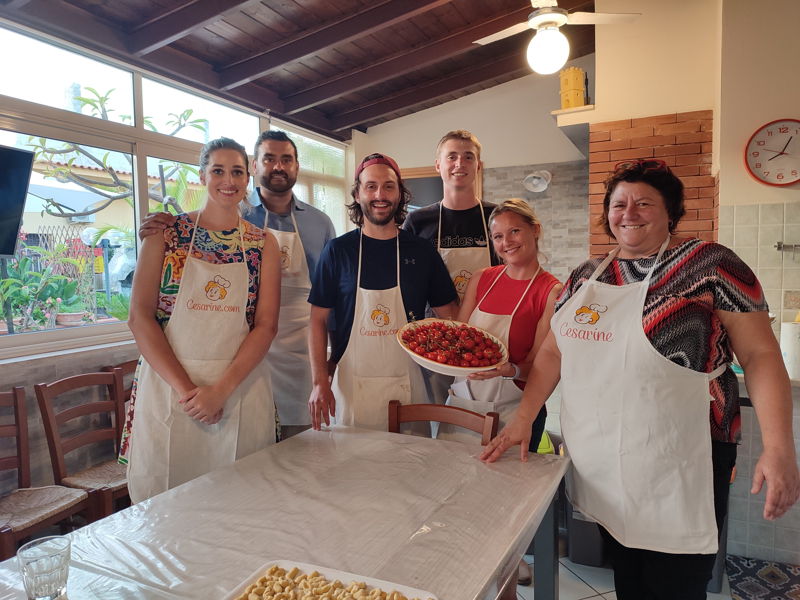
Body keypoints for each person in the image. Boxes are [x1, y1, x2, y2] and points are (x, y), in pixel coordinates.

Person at [481, 159, 800, 599]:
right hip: (605, 456)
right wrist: (524, 417)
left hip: (684, 453)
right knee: (628, 576)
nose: (628, 213)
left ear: (671, 212)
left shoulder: (711, 265)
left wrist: (780, 448)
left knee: (675, 583)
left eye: (644, 203)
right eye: (618, 204)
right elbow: (553, 352)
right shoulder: (586, 275)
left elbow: (761, 355)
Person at [138, 130, 336, 440]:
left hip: (295, 353)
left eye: (287, 159)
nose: (279, 167)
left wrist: (326, 367)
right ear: (255, 169)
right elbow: (141, 316)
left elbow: (327, 299)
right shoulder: (184, 228)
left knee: (297, 458)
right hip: (236, 357)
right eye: (269, 159)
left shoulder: (317, 224)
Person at [122, 137, 281, 503]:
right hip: (170, 390)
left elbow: (265, 325)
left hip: (239, 389)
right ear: (202, 175)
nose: (228, 180)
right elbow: (139, 318)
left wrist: (220, 391)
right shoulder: (165, 234)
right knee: (165, 504)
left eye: (237, 171)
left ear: (249, 177)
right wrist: (188, 393)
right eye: (218, 170)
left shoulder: (262, 243)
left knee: (241, 502)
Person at [439, 199, 560, 592]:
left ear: (534, 230)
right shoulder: (483, 278)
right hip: (461, 402)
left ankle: (506, 586)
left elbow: (541, 364)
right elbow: (461, 335)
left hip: (512, 408)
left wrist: (509, 368)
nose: (506, 242)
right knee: (456, 499)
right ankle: (464, 582)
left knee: (502, 508)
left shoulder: (551, 290)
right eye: (497, 236)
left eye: (514, 231)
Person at [307, 153, 458, 431]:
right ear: (357, 193)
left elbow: (450, 317)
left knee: (410, 469)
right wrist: (319, 382)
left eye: (389, 186)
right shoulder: (338, 252)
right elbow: (317, 320)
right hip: (351, 386)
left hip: (409, 384)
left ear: (400, 194)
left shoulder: (422, 251)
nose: (380, 195)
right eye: (371, 186)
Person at [402, 130, 500, 414]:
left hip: (486, 334)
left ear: (478, 165)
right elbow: (408, 279)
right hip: (437, 339)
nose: (460, 163)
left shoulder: (495, 217)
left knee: (479, 416)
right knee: (437, 416)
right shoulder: (418, 220)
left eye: (468, 157)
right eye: (452, 156)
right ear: (438, 165)